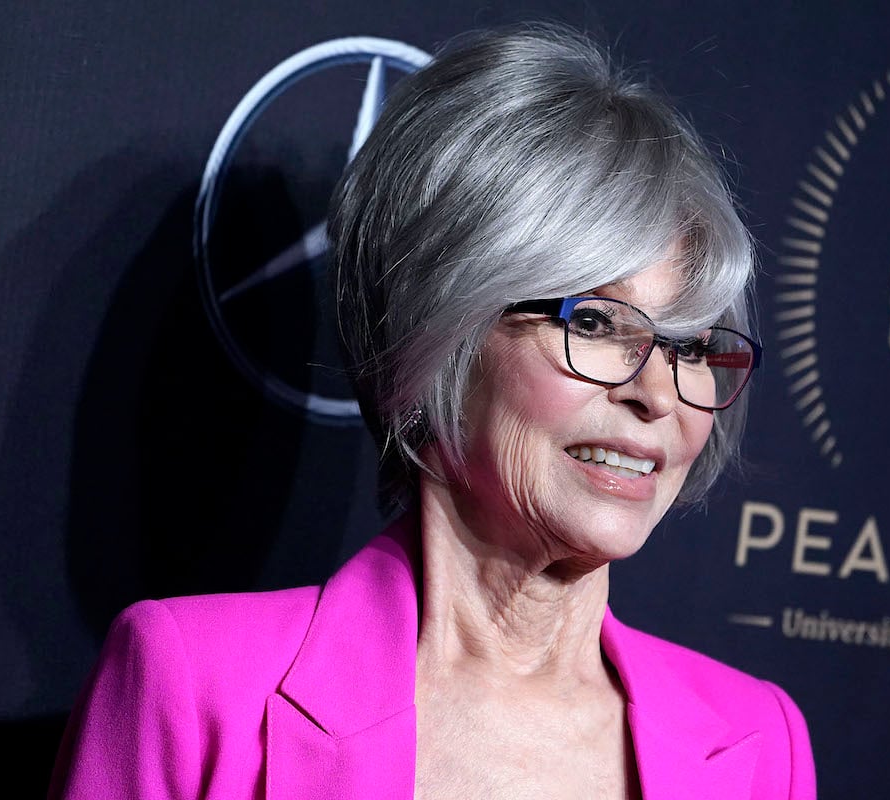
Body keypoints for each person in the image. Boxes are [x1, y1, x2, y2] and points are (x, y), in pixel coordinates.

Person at [48, 22, 816, 800]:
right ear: (438, 330)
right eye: (593, 323)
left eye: (689, 346)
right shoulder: (196, 690)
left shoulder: (757, 744)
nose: (656, 394)